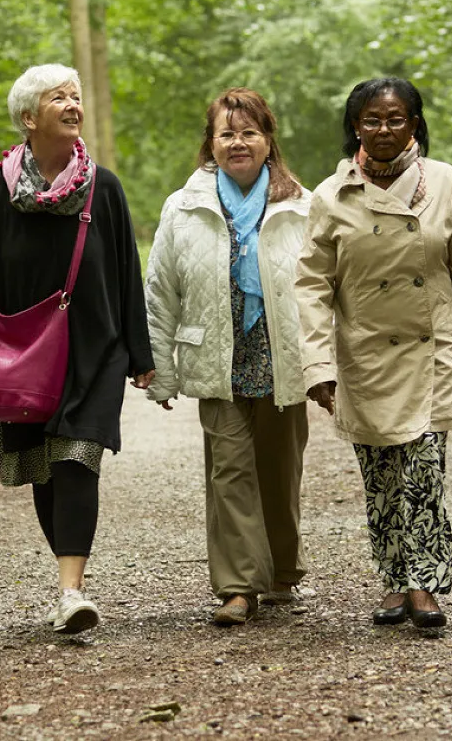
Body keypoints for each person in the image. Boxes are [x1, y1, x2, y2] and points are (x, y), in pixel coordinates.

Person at [0, 64, 155, 634]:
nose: (73, 104)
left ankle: (70, 590)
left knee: (78, 460)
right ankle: (68, 581)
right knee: (43, 469)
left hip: (92, 351)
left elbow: (127, 273)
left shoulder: (103, 187)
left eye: (76, 96)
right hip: (18, 352)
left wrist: (140, 353)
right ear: (29, 118)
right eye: (59, 98)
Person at [296, 77, 452, 630]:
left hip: (435, 348)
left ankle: (423, 582)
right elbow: (312, 286)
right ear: (355, 127)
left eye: (396, 119)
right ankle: (391, 578)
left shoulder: (445, 183)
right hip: (365, 353)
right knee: (381, 474)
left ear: (415, 124)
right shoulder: (331, 196)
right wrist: (317, 365)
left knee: (424, 471)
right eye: (371, 120)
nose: (384, 130)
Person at [144, 88, 312, 626]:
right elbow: (160, 290)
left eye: (249, 133)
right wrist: (161, 372)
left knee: (280, 470)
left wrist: (327, 365)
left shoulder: (301, 204)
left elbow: (323, 287)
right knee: (229, 471)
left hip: (281, 353)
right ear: (210, 143)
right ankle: (239, 586)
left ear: (268, 140)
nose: (238, 143)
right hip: (216, 356)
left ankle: (282, 569)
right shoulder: (184, 206)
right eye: (226, 134)